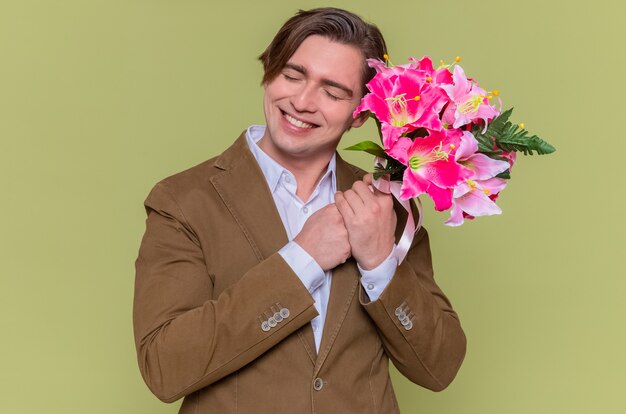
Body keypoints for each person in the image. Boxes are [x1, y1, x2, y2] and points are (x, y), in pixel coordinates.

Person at [133, 7, 466, 413]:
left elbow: (439, 367)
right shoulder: (183, 200)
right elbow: (165, 367)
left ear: (361, 112)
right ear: (269, 73)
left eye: (332, 92)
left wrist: (381, 264)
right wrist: (302, 258)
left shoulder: (388, 205)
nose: (303, 101)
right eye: (292, 75)